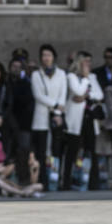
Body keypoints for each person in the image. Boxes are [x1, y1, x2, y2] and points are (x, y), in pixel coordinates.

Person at [62, 51, 104, 190]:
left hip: (89, 118)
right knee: (72, 151)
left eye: (89, 62)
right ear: (79, 63)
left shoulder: (93, 76)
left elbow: (99, 94)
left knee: (91, 151)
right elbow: (77, 91)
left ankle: (92, 182)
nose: (88, 65)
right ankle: (67, 182)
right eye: (85, 62)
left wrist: (86, 95)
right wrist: (85, 81)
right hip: (75, 120)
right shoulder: (71, 76)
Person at [30, 44, 68, 185]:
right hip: (40, 117)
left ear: (53, 57)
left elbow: (63, 94)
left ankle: (55, 180)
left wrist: (58, 113)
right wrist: (55, 105)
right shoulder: (36, 74)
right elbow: (38, 95)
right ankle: (42, 181)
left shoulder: (61, 74)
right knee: (41, 150)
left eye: (49, 55)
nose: (46, 58)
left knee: (56, 150)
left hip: (56, 116)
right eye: (44, 55)